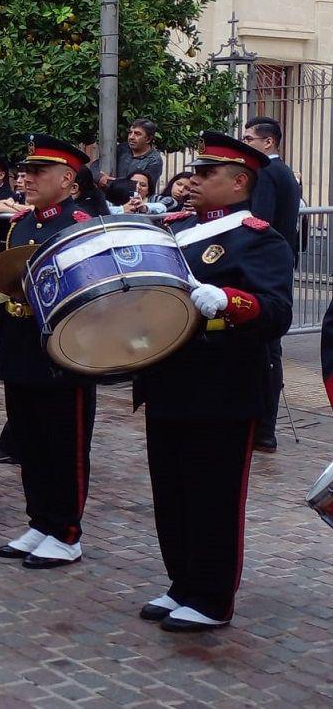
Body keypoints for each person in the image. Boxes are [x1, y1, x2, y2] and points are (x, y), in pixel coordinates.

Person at [134, 131, 292, 631]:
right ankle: (181, 581)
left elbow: (276, 311)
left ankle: (211, 597)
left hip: (223, 387)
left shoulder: (259, 238)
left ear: (239, 181)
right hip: (168, 378)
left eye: (207, 173)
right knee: (172, 491)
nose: (192, 179)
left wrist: (229, 301)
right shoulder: (174, 228)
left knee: (213, 496)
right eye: (194, 171)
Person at [0, 134, 97, 569]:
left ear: (68, 179)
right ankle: (39, 521)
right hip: (21, 345)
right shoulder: (23, 223)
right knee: (30, 441)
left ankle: (66, 531)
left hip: (63, 352)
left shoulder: (80, 222)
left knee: (64, 444)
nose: (27, 178)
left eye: (38, 171)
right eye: (26, 170)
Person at [242, 116, 301, 453]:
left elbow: (257, 222)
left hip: (262, 269)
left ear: (268, 142)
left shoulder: (266, 172)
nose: (245, 143)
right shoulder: (283, 172)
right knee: (268, 349)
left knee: (265, 349)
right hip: (275, 266)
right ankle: (263, 427)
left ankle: (263, 428)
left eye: (250, 138)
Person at [93, 118, 164, 189]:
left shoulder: (154, 160)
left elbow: (141, 185)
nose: (131, 137)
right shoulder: (122, 149)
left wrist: (110, 182)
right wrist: (100, 177)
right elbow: (95, 165)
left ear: (148, 139)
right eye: (130, 133)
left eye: (137, 134)